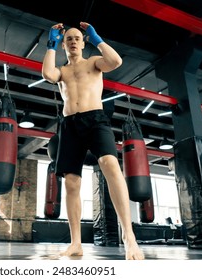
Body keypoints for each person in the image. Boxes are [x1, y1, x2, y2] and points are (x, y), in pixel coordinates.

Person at [42, 22, 145, 260]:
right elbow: (48, 74)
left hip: (95, 119)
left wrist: (96, 37)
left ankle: (129, 236)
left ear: (84, 41)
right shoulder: (62, 71)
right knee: (71, 183)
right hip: (70, 124)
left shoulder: (94, 62)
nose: (74, 41)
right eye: (69, 39)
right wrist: (51, 44)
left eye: (77, 38)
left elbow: (116, 62)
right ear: (64, 44)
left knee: (110, 165)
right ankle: (75, 243)